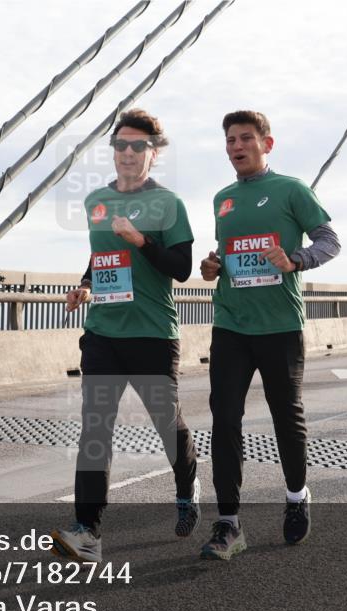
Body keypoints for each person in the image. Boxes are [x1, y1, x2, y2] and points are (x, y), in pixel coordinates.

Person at [51, 109, 200, 563]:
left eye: (138, 146)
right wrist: (85, 284)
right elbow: (101, 257)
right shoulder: (96, 201)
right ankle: (88, 531)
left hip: (152, 334)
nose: (128, 153)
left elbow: (181, 268)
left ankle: (187, 484)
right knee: (95, 429)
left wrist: (141, 241)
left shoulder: (168, 204)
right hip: (103, 334)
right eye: (121, 145)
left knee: (166, 424)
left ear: (154, 153)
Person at [198, 110, 340, 560]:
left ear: (267, 144)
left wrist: (296, 259)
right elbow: (226, 254)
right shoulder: (222, 199)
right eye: (230, 140)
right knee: (224, 419)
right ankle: (229, 523)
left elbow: (329, 241)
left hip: (280, 326)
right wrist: (212, 266)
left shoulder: (292, 189)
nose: (236, 147)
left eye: (245, 138)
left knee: (285, 416)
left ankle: (297, 496)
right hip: (230, 324)